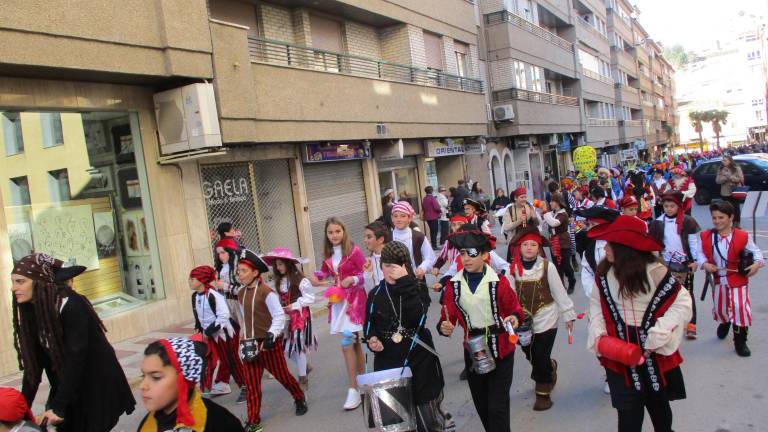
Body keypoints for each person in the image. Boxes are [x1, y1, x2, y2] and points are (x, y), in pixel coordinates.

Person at [588, 215, 692, 432]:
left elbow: (682, 303)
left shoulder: (656, 271)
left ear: (626, 248)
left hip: (654, 351)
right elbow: (596, 305)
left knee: (659, 408)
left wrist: (661, 331)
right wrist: (598, 333)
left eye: (611, 243)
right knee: (627, 415)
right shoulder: (604, 272)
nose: (605, 247)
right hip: (619, 353)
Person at [10, 253, 135, 432]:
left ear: (39, 281)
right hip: (68, 387)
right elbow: (34, 368)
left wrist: (59, 406)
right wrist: (20, 412)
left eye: (20, 281)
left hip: (96, 386)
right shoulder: (33, 311)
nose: (13, 288)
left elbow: (76, 358)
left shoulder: (71, 305)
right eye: (13, 282)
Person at [438, 227, 525, 432]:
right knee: (483, 406)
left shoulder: (499, 282)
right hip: (473, 351)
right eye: (462, 253)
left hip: (502, 349)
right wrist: (445, 326)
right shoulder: (453, 285)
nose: (466, 258)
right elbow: (446, 317)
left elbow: (516, 311)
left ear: (485, 255)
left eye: (472, 253)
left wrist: (514, 318)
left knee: (498, 407)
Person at [365, 241, 451, 431]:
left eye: (396, 266)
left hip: (419, 359)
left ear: (405, 266)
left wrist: (405, 283)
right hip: (389, 364)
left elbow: (418, 317)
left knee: (427, 421)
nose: (391, 271)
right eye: (387, 266)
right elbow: (369, 326)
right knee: (398, 424)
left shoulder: (417, 288)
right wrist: (372, 339)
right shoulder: (375, 294)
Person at [237, 249, 307, 432]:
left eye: (243, 271)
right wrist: (242, 338)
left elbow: (279, 316)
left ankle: (299, 397)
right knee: (252, 384)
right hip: (250, 344)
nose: (240, 275)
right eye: (238, 271)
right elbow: (244, 318)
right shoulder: (240, 293)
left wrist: (271, 335)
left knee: (282, 375)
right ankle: (253, 420)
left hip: (268, 343)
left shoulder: (267, 293)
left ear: (255, 273)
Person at [508, 226, 576, 410]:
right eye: (525, 244)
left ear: (539, 248)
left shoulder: (547, 266)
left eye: (533, 244)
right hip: (522, 321)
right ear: (519, 247)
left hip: (547, 316)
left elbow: (559, 292)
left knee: (540, 354)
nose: (529, 248)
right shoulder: (512, 269)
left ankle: (543, 392)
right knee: (530, 353)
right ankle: (549, 367)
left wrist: (568, 315)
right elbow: (509, 296)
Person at [310, 217, 367, 410]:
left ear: (344, 231)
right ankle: (362, 382)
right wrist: (316, 276)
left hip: (354, 302)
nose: (334, 235)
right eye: (330, 232)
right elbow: (325, 273)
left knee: (347, 343)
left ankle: (353, 390)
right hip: (337, 302)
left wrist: (352, 279)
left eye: (337, 231)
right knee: (354, 342)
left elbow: (364, 274)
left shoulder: (355, 251)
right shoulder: (327, 254)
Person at [696, 201, 764, 357]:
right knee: (721, 308)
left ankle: (740, 341)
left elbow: (758, 255)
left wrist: (755, 266)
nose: (717, 221)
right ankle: (725, 321)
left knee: (740, 309)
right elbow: (699, 254)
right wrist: (704, 264)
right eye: (714, 218)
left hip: (738, 279)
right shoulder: (706, 236)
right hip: (719, 279)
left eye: (721, 217)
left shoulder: (742, 236)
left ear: (731, 217)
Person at [137, 338, 243, 432]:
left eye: (156, 377)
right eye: (143, 376)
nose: (143, 386)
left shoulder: (218, 423)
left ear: (184, 377)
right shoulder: (147, 425)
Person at [649, 191, 701, 339]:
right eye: (666, 206)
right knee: (668, 295)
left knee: (688, 294)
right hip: (667, 265)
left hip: (685, 264)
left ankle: (691, 325)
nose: (669, 209)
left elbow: (693, 242)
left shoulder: (688, 221)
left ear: (678, 206)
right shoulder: (658, 222)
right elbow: (655, 245)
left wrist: (695, 260)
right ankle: (670, 325)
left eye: (672, 206)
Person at [262, 248, 317, 389]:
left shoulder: (301, 280)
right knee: (285, 348)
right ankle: (304, 365)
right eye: (276, 265)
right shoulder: (279, 281)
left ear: (288, 263)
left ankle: (303, 379)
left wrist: (296, 304)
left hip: (300, 317)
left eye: (280, 264)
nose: (278, 267)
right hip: (286, 317)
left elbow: (310, 297)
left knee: (298, 347)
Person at [189, 265, 245, 397]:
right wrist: (201, 329)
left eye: (192, 279)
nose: (190, 281)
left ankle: (246, 386)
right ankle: (207, 387)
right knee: (208, 359)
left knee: (231, 360)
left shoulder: (214, 295)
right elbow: (199, 315)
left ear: (202, 280)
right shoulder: (195, 296)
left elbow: (224, 316)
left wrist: (208, 331)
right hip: (210, 334)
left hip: (224, 333)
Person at [390, 202, 437, 302]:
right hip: (394, 282)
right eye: (395, 216)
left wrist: (422, 268)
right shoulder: (387, 237)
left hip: (416, 280)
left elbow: (430, 257)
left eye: (403, 216)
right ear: (392, 218)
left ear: (409, 218)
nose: (398, 219)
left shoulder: (418, 236)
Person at [542, 193, 576, 294]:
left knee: (565, 265)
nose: (550, 203)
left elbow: (554, 223)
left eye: (552, 201)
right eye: (550, 201)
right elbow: (544, 225)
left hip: (563, 242)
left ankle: (572, 280)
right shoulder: (553, 213)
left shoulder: (563, 214)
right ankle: (561, 287)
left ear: (558, 203)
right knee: (557, 266)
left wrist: (545, 212)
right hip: (554, 241)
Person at [502, 188, 539, 262]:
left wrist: (534, 217)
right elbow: (506, 227)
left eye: (525, 197)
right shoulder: (509, 210)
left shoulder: (530, 207)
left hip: (529, 240)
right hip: (515, 240)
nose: (524, 199)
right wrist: (520, 221)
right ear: (515, 198)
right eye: (522, 197)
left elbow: (537, 224)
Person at [362, 221, 391, 293]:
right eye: (365, 237)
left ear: (381, 239)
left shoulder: (393, 257)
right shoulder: (369, 261)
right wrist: (367, 274)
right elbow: (370, 292)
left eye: (369, 237)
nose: (365, 240)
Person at [716, 155, 745, 225]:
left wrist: (730, 177)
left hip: (735, 191)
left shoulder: (736, 168)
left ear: (730, 161)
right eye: (723, 160)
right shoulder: (720, 169)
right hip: (725, 192)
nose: (723, 162)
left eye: (725, 160)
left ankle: (737, 224)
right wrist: (725, 178)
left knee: (736, 208)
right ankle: (729, 224)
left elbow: (741, 179)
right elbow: (717, 181)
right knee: (727, 209)